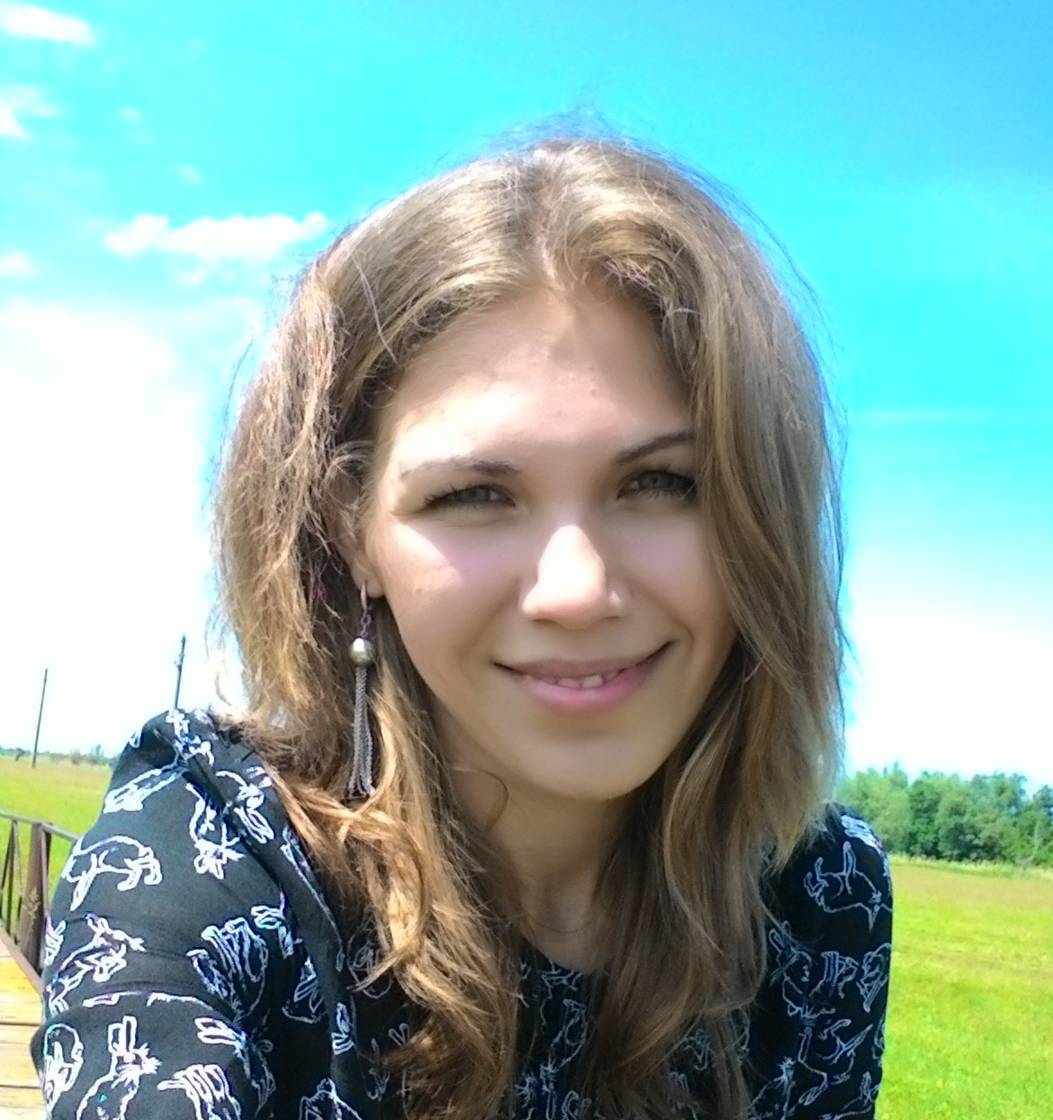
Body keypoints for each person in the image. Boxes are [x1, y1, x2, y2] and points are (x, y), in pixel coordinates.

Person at [31, 133, 892, 1119]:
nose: (576, 590)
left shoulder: (819, 897)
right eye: (475, 495)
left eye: (661, 483)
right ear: (354, 535)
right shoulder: (210, 854)